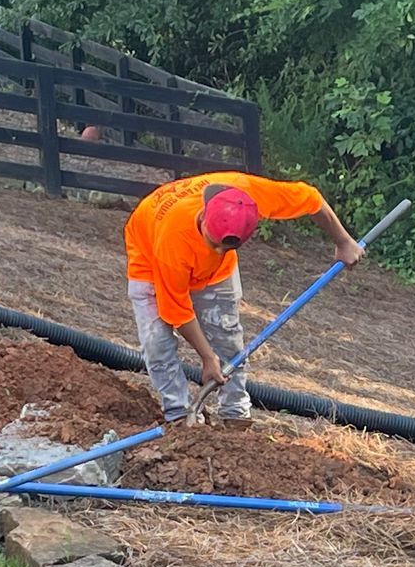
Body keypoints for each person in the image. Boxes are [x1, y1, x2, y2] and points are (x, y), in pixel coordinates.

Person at [124, 170, 363, 424]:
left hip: (214, 273)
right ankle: (179, 414)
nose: (216, 251)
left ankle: (234, 413)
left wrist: (344, 241)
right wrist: (207, 358)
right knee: (157, 343)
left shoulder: (249, 194)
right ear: (204, 215)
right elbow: (177, 312)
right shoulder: (172, 238)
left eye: (226, 248)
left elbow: (311, 198)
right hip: (151, 260)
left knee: (227, 337)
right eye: (213, 242)